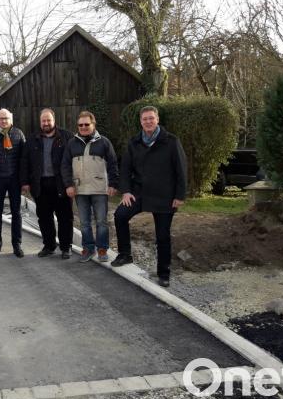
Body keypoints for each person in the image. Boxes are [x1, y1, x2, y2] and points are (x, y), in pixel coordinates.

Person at [112, 106, 187, 288]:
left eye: (151, 118)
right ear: (140, 121)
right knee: (120, 215)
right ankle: (125, 254)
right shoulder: (134, 143)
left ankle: (164, 273)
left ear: (157, 119)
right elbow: (125, 169)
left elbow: (181, 170)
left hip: (164, 195)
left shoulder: (171, 141)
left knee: (162, 235)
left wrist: (179, 195)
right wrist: (127, 191)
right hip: (139, 193)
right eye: (145, 119)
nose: (148, 121)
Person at [61, 111, 119, 263]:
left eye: (87, 124)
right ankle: (88, 248)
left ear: (93, 125)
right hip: (80, 190)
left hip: (100, 190)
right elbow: (65, 166)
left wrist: (113, 184)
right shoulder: (72, 144)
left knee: (101, 221)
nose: (84, 127)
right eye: (80, 125)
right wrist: (68, 185)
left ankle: (102, 249)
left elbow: (113, 164)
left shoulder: (104, 142)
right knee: (84, 223)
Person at [21, 108, 75, 259]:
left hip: (61, 184)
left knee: (65, 217)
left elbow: (74, 161)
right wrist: (25, 181)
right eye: (43, 121)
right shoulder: (32, 139)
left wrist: (71, 183)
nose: (46, 123)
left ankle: (66, 247)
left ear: (54, 121)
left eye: (48, 120)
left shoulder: (67, 137)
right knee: (44, 217)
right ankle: (49, 245)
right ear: (40, 122)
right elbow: (25, 161)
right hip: (40, 184)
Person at [0, 108, 26, 258]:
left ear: (11, 120)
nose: (3, 121)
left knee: (16, 213)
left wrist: (24, 180)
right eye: (1, 118)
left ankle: (17, 245)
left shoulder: (19, 134)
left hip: (15, 180)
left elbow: (24, 159)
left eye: (6, 118)